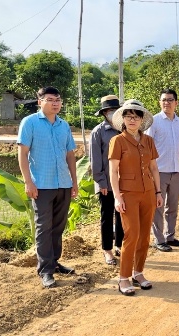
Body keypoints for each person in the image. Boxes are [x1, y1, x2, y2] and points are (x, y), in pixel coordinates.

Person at [17, 86, 78, 288]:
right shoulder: (30, 123)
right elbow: (23, 154)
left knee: (58, 227)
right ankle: (45, 271)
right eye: (51, 99)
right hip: (42, 185)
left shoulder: (63, 125)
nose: (55, 103)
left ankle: (54, 262)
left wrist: (74, 182)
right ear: (40, 102)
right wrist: (28, 181)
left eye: (58, 99)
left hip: (63, 183)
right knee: (44, 228)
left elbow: (70, 155)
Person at [108, 99, 162, 296]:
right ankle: (123, 278)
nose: (132, 120)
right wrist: (117, 197)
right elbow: (113, 171)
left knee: (145, 235)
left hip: (148, 192)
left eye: (136, 116)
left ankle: (138, 273)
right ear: (123, 119)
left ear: (142, 120)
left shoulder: (148, 141)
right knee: (131, 235)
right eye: (128, 116)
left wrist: (158, 192)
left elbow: (154, 168)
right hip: (127, 194)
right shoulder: (118, 141)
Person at [145, 89, 179, 253]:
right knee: (158, 205)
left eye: (170, 100)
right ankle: (159, 239)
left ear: (176, 103)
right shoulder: (154, 122)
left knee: (173, 206)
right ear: (160, 102)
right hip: (158, 172)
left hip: (175, 171)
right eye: (164, 100)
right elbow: (146, 146)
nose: (167, 103)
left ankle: (170, 236)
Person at [90, 94, 124, 265]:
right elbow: (95, 161)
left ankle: (119, 244)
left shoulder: (124, 129)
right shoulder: (98, 132)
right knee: (107, 215)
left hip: (124, 182)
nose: (112, 113)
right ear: (104, 113)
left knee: (122, 214)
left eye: (115, 110)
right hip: (106, 183)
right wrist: (101, 182)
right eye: (109, 111)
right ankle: (107, 250)